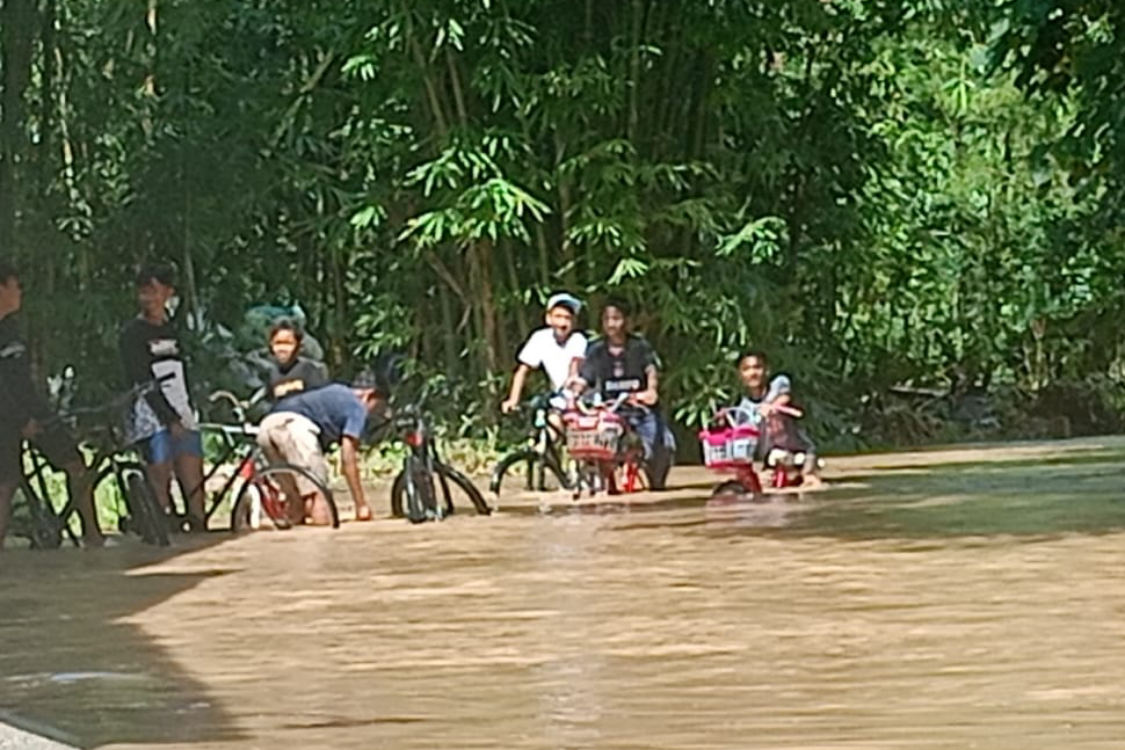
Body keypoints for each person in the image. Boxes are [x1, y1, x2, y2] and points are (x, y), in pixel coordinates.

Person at [0, 261, 108, 548]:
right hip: (6, 418)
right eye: (15, 286)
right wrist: (20, 421)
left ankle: (93, 535)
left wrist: (38, 414)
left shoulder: (12, 327)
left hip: (35, 411)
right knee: (6, 480)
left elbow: (22, 380)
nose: (20, 292)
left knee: (75, 462)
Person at [119, 264, 207, 530]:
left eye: (154, 291)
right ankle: (158, 525)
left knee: (194, 478)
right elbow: (142, 379)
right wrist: (168, 419)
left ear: (168, 293)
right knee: (160, 474)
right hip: (150, 413)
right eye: (143, 292)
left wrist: (186, 411)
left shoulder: (174, 330)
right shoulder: (132, 334)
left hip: (182, 407)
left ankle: (198, 524)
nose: (148, 298)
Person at [572, 298, 674, 489]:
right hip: (612, 411)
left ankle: (656, 485)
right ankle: (604, 484)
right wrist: (575, 391)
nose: (611, 324)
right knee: (598, 445)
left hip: (640, 408)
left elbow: (651, 370)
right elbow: (586, 377)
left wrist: (650, 391)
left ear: (627, 321)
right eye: (607, 319)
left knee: (662, 445)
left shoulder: (639, 346)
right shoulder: (596, 350)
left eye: (616, 318)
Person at [256, 374, 382, 524]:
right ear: (369, 395)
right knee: (319, 504)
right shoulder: (358, 406)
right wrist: (361, 505)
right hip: (294, 427)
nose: (377, 413)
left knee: (296, 504)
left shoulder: (336, 391)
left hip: (266, 426)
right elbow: (348, 457)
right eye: (379, 406)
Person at [736, 350, 820, 487]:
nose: (752, 373)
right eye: (746, 369)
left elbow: (784, 397)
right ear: (740, 375)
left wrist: (772, 407)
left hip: (802, 455)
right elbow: (744, 449)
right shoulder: (743, 410)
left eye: (757, 367)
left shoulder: (779, 384)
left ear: (767, 370)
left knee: (812, 483)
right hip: (771, 460)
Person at [500, 292, 587, 414]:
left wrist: (573, 383)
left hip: (583, 400)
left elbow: (575, 366)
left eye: (567, 318)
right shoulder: (540, 338)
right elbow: (523, 370)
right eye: (558, 316)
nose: (562, 323)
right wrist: (513, 399)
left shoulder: (578, 339)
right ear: (548, 318)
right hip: (558, 400)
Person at [266, 318, 329, 403]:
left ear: (298, 345)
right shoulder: (266, 371)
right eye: (278, 343)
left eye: (288, 343)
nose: (282, 349)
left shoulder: (312, 370)